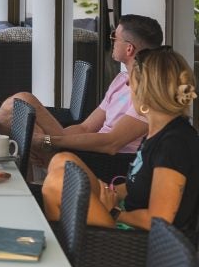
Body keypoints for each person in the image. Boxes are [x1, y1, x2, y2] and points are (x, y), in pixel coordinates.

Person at [42, 46, 199, 245]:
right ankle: (66, 247)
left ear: (147, 91)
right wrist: (111, 193)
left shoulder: (175, 144)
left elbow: (159, 221)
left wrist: (115, 212)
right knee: (63, 160)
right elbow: (139, 183)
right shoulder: (157, 131)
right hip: (127, 219)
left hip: (145, 243)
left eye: (132, 81)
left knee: (57, 183)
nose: (127, 83)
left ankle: (71, 253)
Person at [0, 14, 163, 165]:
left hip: (106, 160)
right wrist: (47, 140)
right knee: (22, 104)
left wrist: (48, 141)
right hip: (89, 147)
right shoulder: (121, 79)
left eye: (114, 37)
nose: (111, 41)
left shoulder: (149, 93)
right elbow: (86, 128)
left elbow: (111, 143)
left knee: (27, 130)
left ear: (129, 49)